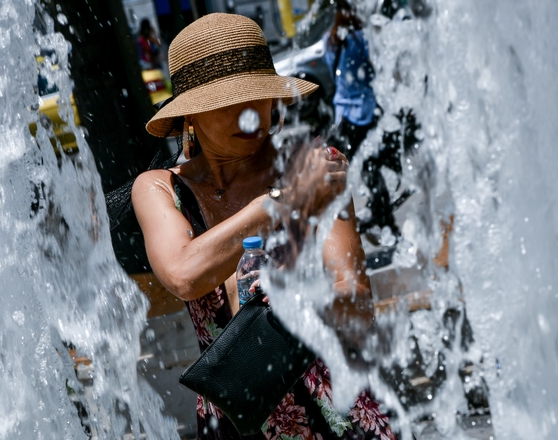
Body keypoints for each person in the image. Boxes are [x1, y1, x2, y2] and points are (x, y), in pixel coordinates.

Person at [132, 13, 396, 440]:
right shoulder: (160, 189)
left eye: (258, 96)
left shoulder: (312, 166)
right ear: (191, 116)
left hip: (338, 412)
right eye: (228, 103)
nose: (249, 116)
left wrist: (300, 309)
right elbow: (183, 274)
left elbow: (356, 298)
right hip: (239, 418)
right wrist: (279, 205)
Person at [323, 1, 377, 161]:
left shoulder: (329, 40)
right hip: (365, 112)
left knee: (346, 163)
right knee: (370, 162)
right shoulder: (362, 38)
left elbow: (334, 76)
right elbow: (375, 73)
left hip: (341, 113)